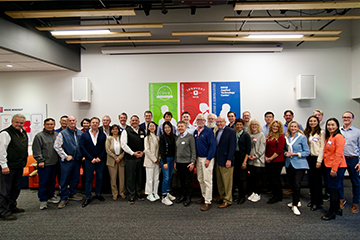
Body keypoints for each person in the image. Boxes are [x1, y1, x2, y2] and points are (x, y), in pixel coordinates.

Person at [0, 114, 28, 221]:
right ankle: (3, 212)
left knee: (15, 189)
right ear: (12, 122)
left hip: (19, 166)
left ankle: (12, 206)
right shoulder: (5, 133)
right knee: (4, 191)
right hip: (8, 167)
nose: (19, 124)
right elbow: (1, 151)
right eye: (17, 122)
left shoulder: (23, 133)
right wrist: (4, 166)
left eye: (21, 123)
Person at [54, 115, 83, 209]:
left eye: (73, 120)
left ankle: (73, 194)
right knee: (64, 180)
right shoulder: (62, 133)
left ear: (76, 121)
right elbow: (57, 146)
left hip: (77, 160)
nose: (71, 122)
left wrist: (82, 155)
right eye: (69, 121)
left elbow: (82, 145)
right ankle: (63, 198)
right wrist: (65, 156)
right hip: (67, 161)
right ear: (67, 122)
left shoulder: (79, 132)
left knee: (75, 178)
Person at [321, 118, 347, 220]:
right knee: (333, 189)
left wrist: (334, 169)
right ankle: (336, 209)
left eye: (333, 125)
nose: (330, 127)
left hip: (337, 167)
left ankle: (332, 212)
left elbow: (339, 154)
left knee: (333, 189)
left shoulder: (339, 137)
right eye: (328, 125)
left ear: (337, 126)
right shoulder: (330, 136)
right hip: (329, 165)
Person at [32, 118, 60, 210]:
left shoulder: (57, 135)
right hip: (44, 164)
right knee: (44, 182)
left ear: (54, 125)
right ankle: (43, 200)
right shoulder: (39, 136)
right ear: (44, 125)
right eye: (48, 124)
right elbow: (36, 150)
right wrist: (40, 161)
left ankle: (51, 196)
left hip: (55, 163)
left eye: (51, 124)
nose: (50, 126)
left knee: (52, 181)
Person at [79, 117, 107, 208]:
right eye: (93, 122)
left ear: (99, 124)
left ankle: (98, 194)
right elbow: (82, 147)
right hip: (89, 160)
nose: (95, 124)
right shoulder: (85, 135)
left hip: (100, 160)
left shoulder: (103, 134)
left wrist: (99, 157)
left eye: (96, 122)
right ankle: (87, 196)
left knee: (99, 177)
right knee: (88, 179)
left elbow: (104, 148)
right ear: (90, 123)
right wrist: (91, 158)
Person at [284, 121, 310, 216]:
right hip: (289, 163)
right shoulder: (287, 137)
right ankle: (296, 199)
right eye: (292, 126)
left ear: (298, 127)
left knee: (297, 183)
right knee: (292, 184)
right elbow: (284, 150)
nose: (293, 128)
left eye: (295, 126)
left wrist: (295, 154)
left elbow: (307, 152)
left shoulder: (302, 137)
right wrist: (285, 153)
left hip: (300, 164)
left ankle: (295, 205)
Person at [121, 115, 146, 204]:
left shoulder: (143, 131)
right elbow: (124, 145)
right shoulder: (126, 131)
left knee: (140, 176)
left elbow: (146, 144)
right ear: (130, 122)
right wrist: (133, 153)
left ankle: (139, 193)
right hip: (130, 158)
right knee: (130, 177)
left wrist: (143, 152)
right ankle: (131, 195)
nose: (134, 122)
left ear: (139, 122)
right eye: (133, 120)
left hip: (140, 158)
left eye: (136, 120)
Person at [194, 114, 216, 211]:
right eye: (198, 119)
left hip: (207, 159)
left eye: (202, 120)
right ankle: (204, 196)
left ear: (205, 121)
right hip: (199, 158)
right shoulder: (195, 132)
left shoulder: (209, 131)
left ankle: (208, 201)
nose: (200, 121)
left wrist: (208, 158)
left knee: (207, 180)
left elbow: (212, 146)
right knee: (200, 179)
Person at [213, 116, 236, 208]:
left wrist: (229, 159)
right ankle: (222, 197)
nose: (219, 123)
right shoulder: (218, 131)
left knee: (227, 182)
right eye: (217, 122)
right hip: (218, 160)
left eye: (221, 122)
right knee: (220, 181)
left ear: (225, 122)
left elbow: (232, 146)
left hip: (227, 160)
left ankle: (228, 200)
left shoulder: (231, 131)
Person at [339, 111, 360, 213]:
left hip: (353, 159)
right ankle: (341, 199)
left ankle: (356, 203)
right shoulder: (338, 131)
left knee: (355, 181)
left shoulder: (357, 132)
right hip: (341, 159)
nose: (346, 119)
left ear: (352, 119)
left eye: (348, 117)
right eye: (344, 117)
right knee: (339, 180)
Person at [304, 115, 325, 211]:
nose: (312, 123)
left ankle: (317, 202)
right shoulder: (307, 133)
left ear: (318, 122)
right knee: (311, 181)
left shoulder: (321, 133)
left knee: (317, 182)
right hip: (309, 159)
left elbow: (322, 148)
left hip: (317, 159)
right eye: (310, 121)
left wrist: (319, 161)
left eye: (314, 121)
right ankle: (313, 200)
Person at [174, 121, 196, 207]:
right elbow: (176, 151)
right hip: (179, 163)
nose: (180, 128)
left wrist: (192, 162)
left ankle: (188, 197)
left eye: (182, 126)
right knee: (181, 181)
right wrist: (175, 161)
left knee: (189, 181)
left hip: (187, 163)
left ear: (186, 126)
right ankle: (183, 195)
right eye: (178, 126)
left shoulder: (190, 137)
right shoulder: (177, 137)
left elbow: (193, 151)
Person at [265, 120, 285, 204]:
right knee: (271, 179)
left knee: (276, 178)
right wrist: (266, 157)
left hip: (277, 160)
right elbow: (266, 147)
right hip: (268, 160)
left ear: (279, 128)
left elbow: (280, 150)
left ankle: (277, 196)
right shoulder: (269, 135)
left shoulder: (281, 136)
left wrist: (270, 158)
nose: (275, 128)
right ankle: (275, 193)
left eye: (277, 126)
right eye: (274, 126)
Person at [247, 119, 266, 203]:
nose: (254, 126)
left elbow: (262, 148)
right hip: (250, 160)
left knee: (258, 178)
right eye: (252, 124)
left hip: (258, 160)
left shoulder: (261, 135)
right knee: (252, 178)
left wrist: (256, 156)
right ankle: (253, 192)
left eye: (255, 124)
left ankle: (258, 193)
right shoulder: (248, 135)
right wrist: (249, 156)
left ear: (258, 126)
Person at [233, 118, 251, 204]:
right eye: (237, 124)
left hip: (243, 158)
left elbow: (248, 150)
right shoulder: (234, 134)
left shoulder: (246, 135)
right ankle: (239, 195)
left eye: (241, 124)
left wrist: (244, 162)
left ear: (243, 126)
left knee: (242, 179)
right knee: (237, 178)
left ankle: (243, 197)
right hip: (235, 158)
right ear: (235, 126)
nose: (239, 126)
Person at [106, 125, 126, 200]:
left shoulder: (122, 138)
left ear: (118, 130)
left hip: (121, 160)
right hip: (112, 160)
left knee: (122, 178)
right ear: (111, 130)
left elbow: (125, 148)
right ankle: (115, 193)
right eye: (113, 129)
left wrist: (120, 157)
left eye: (116, 129)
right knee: (113, 178)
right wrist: (115, 157)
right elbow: (107, 150)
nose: (115, 130)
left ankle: (122, 192)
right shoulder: (109, 138)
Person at [159, 121, 177, 206]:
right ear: (163, 129)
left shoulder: (174, 137)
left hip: (172, 159)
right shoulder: (162, 137)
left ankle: (168, 192)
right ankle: (164, 196)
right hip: (165, 160)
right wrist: (164, 162)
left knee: (170, 177)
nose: (167, 129)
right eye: (165, 128)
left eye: (169, 127)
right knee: (165, 178)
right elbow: (162, 151)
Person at [143, 121, 160, 202]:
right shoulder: (147, 138)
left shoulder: (157, 137)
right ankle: (149, 194)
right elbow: (147, 150)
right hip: (150, 161)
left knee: (156, 178)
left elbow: (160, 149)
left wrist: (158, 158)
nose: (152, 127)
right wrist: (154, 159)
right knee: (149, 179)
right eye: (150, 126)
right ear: (148, 128)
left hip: (157, 161)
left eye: (153, 126)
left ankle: (155, 192)